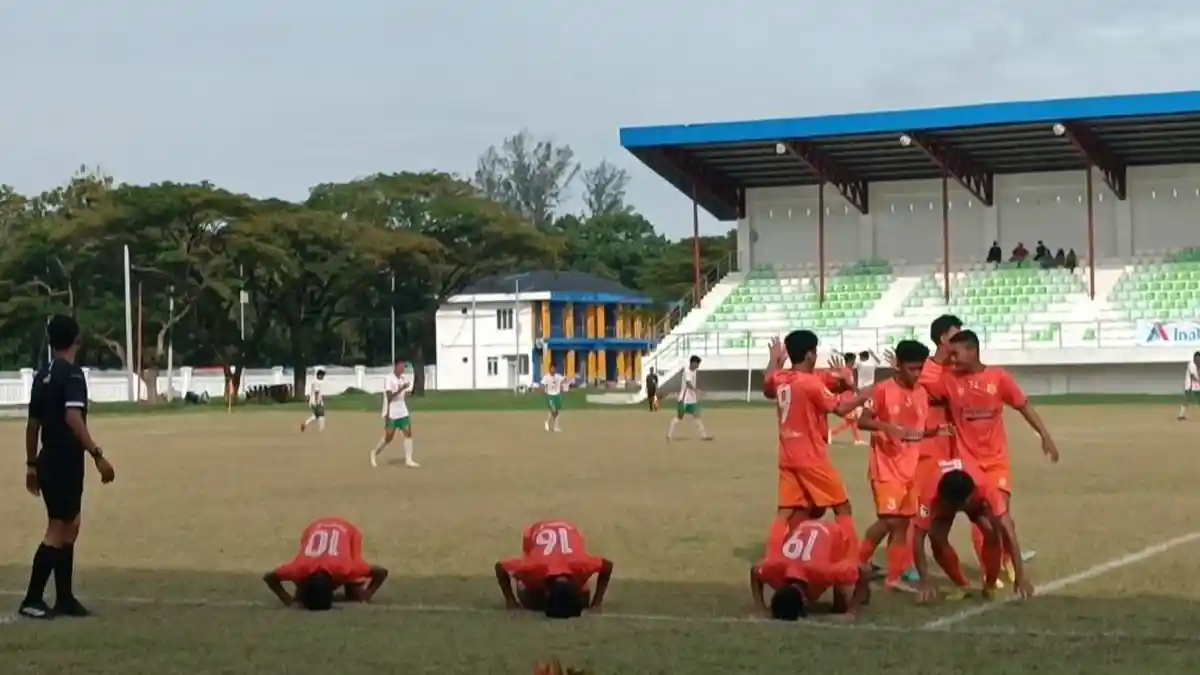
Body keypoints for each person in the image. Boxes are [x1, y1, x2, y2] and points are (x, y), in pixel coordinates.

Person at [919, 329, 1058, 586]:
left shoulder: (999, 377)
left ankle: (1005, 564)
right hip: (966, 463)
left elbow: (1023, 406)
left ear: (973, 351)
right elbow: (920, 386)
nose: (952, 360)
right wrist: (938, 357)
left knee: (1000, 519)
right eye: (949, 355)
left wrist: (1045, 436)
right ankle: (989, 573)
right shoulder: (948, 380)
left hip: (996, 462)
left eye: (956, 354)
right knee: (978, 519)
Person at [20, 314, 116, 620]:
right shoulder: (72, 375)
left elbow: (32, 425)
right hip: (64, 460)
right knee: (58, 529)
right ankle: (32, 599)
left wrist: (31, 464)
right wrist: (97, 454)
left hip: (49, 458)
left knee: (70, 526)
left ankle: (64, 597)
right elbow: (73, 419)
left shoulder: (42, 375)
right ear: (77, 339)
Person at [762, 331, 873, 557]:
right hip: (810, 454)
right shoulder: (810, 383)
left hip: (787, 454)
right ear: (811, 354)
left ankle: (776, 557)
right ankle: (854, 559)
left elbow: (767, 387)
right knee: (842, 506)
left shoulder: (782, 378)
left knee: (788, 510)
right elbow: (840, 408)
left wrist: (774, 360)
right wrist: (862, 396)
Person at [856, 340, 940, 592]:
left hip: (909, 468)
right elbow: (862, 421)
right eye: (912, 368)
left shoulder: (922, 393)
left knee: (903, 524)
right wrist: (885, 427)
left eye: (920, 369)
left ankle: (893, 578)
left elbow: (917, 430)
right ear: (898, 366)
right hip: (885, 468)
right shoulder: (882, 390)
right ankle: (858, 562)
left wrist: (933, 432)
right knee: (889, 521)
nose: (916, 374)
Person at [912, 461, 1034, 603]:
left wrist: (1021, 576)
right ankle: (963, 584)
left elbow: (1009, 532)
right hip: (946, 499)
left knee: (992, 532)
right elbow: (918, 538)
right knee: (936, 539)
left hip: (974, 499)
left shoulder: (985, 487)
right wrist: (925, 580)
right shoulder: (930, 494)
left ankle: (990, 584)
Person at [750, 518, 871, 621]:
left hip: (834, 534)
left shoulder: (823, 572)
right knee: (840, 598)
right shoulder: (776, 569)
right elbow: (755, 570)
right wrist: (760, 607)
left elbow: (864, 570)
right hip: (804, 528)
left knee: (841, 605)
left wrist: (852, 611)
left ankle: (861, 593)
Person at [495, 520, 614, 619]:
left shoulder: (581, 565)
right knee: (531, 600)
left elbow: (607, 566)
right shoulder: (532, 568)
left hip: (571, 531)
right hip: (535, 531)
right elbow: (500, 567)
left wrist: (596, 603)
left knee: (582, 600)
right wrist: (511, 601)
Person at [263, 517, 389, 610]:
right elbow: (269, 577)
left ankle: (352, 587)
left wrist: (365, 597)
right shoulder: (299, 569)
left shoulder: (346, 569)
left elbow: (381, 573)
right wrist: (287, 599)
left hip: (347, 531)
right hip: (314, 528)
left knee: (355, 593)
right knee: (299, 597)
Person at [370, 359, 418, 468]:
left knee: (408, 433)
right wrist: (401, 388)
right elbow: (389, 397)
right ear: (396, 367)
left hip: (402, 410)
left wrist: (406, 394)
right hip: (391, 411)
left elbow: (402, 396)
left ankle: (409, 459)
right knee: (389, 437)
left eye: (404, 367)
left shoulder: (401, 378)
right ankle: (374, 453)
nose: (403, 369)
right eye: (401, 367)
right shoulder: (388, 379)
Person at [667, 355, 712, 441]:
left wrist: (695, 393)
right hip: (684, 397)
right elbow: (688, 383)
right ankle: (669, 435)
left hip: (692, 398)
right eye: (697, 364)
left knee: (697, 415)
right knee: (679, 416)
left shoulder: (694, 371)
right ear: (693, 363)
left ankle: (704, 435)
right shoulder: (686, 371)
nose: (698, 366)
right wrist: (697, 391)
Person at [539, 363, 568, 432]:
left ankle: (554, 426)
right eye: (552, 368)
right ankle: (549, 424)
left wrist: (563, 381)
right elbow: (542, 384)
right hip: (550, 396)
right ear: (550, 368)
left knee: (556, 412)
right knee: (553, 410)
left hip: (557, 396)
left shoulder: (558, 376)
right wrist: (544, 390)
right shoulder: (546, 377)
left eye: (554, 368)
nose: (553, 369)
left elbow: (564, 379)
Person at [1180, 351, 1200, 421]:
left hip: (1197, 385)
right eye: (1197, 359)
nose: (1198, 360)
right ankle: (1181, 415)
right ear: (1194, 358)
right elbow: (1194, 376)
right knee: (1187, 399)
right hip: (1190, 384)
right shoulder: (1191, 364)